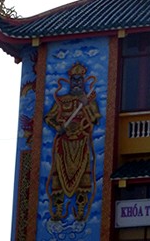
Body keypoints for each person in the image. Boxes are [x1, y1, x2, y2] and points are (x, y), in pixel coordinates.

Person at [45, 62, 101, 222]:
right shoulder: (62, 100)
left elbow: (96, 120)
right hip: (64, 143)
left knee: (84, 174)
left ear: (83, 81)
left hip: (81, 142)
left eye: (79, 80)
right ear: (70, 81)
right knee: (58, 174)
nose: (77, 83)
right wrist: (58, 127)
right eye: (74, 80)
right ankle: (58, 209)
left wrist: (87, 106)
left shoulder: (88, 100)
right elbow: (49, 117)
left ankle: (81, 209)